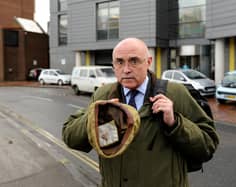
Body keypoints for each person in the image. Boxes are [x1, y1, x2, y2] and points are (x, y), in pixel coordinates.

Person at [62, 37, 219, 187]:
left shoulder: (175, 93)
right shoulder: (103, 95)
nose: (126, 70)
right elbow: (70, 137)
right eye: (119, 62)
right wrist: (95, 116)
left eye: (134, 61)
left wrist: (175, 123)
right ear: (113, 65)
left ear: (148, 62)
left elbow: (208, 145)